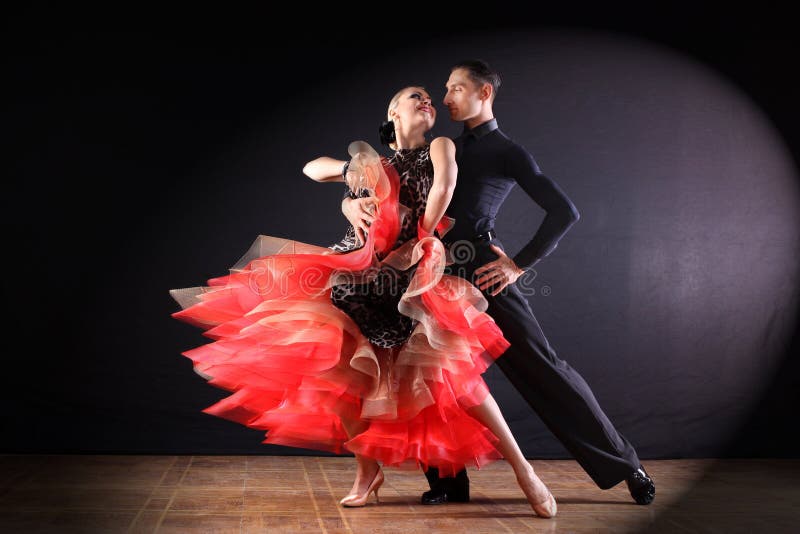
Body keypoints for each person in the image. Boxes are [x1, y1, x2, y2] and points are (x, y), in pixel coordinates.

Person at [170, 85, 557, 518]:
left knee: (455, 377)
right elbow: (312, 168)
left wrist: (416, 236)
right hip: (358, 270)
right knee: (340, 368)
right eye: (416, 96)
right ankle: (367, 471)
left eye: (431, 97)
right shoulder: (376, 164)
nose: (428, 100)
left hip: (412, 269)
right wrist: (353, 176)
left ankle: (526, 471)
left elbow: (443, 190)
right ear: (393, 112)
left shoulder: (440, 146)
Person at [341, 60, 656, 507]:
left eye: (455, 88)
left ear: (484, 93)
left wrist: (518, 265)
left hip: (481, 272)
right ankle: (448, 482)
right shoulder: (436, 144)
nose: (445, 96)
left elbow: (564, 212)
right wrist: (350, 207)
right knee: (433, 378)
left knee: (543, 369)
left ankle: (626, 465)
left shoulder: (506, 150)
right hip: (427, 274)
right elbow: (383, 184)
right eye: (444, 89)